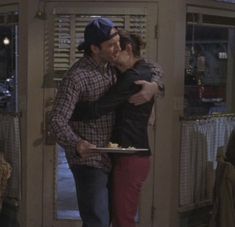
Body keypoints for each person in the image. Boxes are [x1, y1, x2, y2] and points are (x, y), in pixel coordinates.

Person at [49, 17, 163, 227]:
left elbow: (150, 66)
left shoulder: (112, 68)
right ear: (94, 48)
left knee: (109, 218)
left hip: (112, 156)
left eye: (118, 43)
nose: (117, 48)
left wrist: (156, 85)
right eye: (111, 45)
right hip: (89, 159)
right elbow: (56, 120)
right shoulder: (76, 77)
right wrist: (77, 144)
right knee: (97, 221)